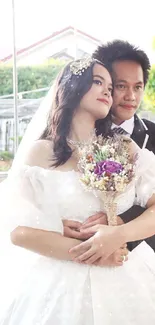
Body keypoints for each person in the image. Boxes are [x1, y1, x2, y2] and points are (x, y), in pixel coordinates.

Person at [1, 57, 155, 324]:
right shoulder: (41, 152)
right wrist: (94, 255)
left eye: (110, 85)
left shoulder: (126, 147)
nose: (108, 91)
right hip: (59, 283)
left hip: (127, 273)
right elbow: (17, 232)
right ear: (72, 88)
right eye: (98, 82)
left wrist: (117, 234)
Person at [91, 40, 155, 250]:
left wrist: (119, 222)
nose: (131, 96)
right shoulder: (82, 135)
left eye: (138, 87)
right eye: (121, 86)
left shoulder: (153, 134)